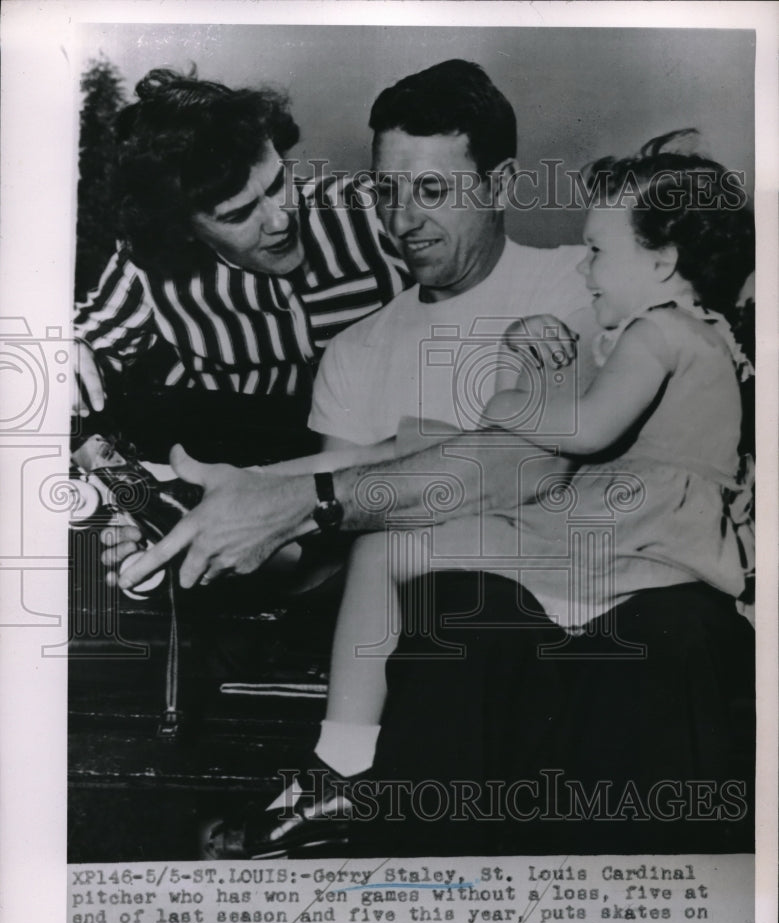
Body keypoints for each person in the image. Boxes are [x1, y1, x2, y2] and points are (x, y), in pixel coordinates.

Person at [116, 65, 755, 859]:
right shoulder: (354, 354)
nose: (402, 221)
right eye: (386, 191)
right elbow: (329, 541)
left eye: (433, 192)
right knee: (431, 600)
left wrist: (300, 490)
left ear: (499, 185)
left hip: (611, 598)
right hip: (470, 648)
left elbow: (524, 465)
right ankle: (351, 786)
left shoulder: (583, 286)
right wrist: (203, 528)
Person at [73, 67, 411, 463]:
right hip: (233, 459)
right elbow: (83, 340)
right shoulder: (148, 268)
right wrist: (70, 350)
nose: (280, 220)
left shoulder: (375, 211)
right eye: (238, 215)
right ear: (183, 229)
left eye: (277, 185)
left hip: (379, 453)